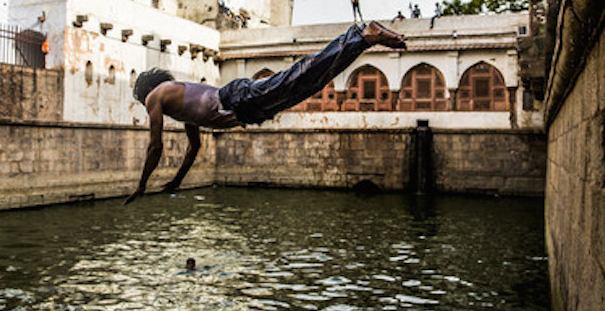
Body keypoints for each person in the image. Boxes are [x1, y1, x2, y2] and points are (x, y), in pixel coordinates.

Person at [124, 21, 406, 204]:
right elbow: (194, 147)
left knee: (298, 75)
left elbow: (155, 146)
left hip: (236, 99)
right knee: (309, 84)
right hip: (246, 111)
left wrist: (141, 185)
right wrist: (176, 180)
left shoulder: (155, 95)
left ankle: (360, 35)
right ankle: (362, 41)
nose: (147, 108)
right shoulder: (181, 107)